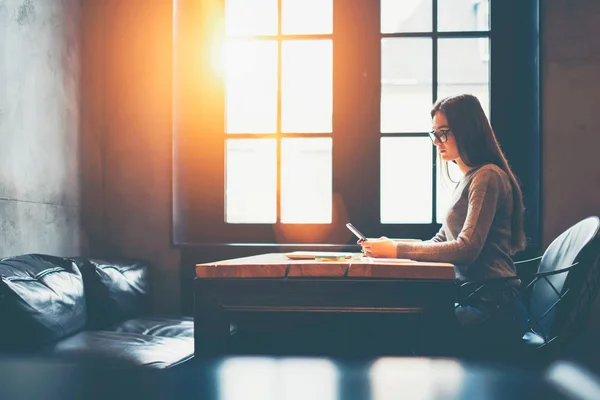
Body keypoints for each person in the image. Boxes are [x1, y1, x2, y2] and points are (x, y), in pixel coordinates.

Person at [360, 94, 529, 355]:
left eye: (444, 133)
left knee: (397, 326)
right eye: (434, 133)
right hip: (478, 300)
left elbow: (466, 248)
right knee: (397, 321)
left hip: (494, 308)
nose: (437, 141)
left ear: (466, 130)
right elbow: (441, 241)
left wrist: (395, 250)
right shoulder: (470, 179)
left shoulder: (487, 177)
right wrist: (390, 246)